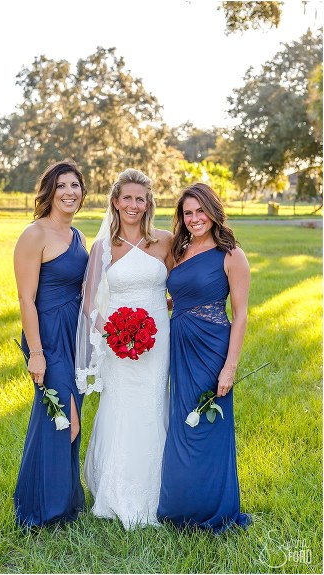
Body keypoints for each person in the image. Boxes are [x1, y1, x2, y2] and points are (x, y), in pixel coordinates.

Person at [75, 168, 173, 530]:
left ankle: (159, 492)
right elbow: (88, 304)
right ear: (115, 202)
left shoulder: (164, 241)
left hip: (157, 340)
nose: (134, 205)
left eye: (141, 199)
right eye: (127, 198)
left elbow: (181, 288)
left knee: (153, 404)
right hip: (118, 343)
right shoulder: (102, 247)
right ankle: (116, 494)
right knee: (120, 407)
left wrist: (159, 316)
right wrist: (114, 334)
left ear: (149, 204)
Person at [157, 183, 252, 533]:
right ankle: (180, 505)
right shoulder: (179, 251)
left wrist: (229, 367)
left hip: (212, 348)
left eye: (200, 211)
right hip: (179, 345)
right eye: (188, 212)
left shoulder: (231, 255)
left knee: (208, 426)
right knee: (182, 424)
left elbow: (240, 315)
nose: (195, 218)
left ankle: (214, 508)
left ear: (213, 211)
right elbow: (178, 296)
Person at [12, 158, 89, 528]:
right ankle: (42, 508)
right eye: (61, 186)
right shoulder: (34, 235)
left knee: (64, 421)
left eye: (75, 185)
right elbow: (26, 299)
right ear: (50, 192)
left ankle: (64, 502)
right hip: (48, 339)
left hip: (76, 338)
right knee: (64, 420)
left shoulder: (79, 237)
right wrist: (37, 353)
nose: (69, 192)